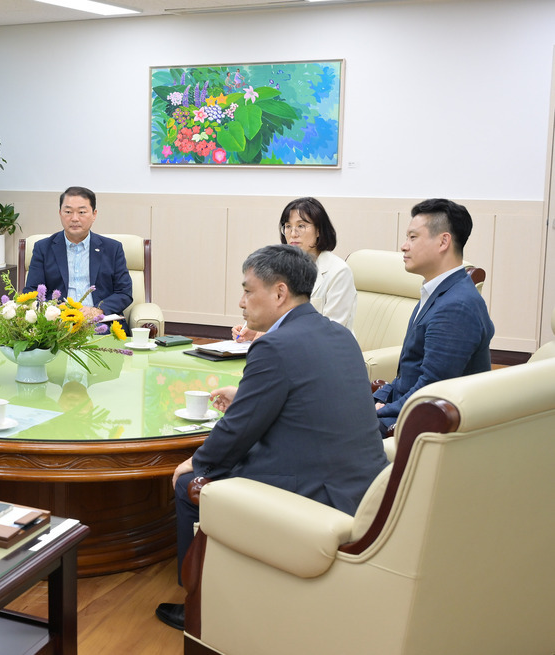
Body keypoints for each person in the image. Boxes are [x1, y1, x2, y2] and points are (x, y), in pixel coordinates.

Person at [155, 244, 388, 631]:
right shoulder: (339, 334)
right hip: (362, 486)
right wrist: (245, 397)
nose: (241, 302)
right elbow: (311, 399)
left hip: (315, 490)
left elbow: (236, 430)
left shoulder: (274, 344)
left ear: (280, 293)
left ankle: (199, 604)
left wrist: (198, 461)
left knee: (189, 484)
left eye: (248, 290)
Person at [373, 198, 494, 432]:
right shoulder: (439, 291)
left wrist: (378, 412)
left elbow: (431, 390)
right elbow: (409, 372)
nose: (404, 246)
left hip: (421, 424)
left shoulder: (457, 306)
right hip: (406, 409)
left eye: (413, 237)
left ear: (443, 241)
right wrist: (378, 399)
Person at [232, 197, 356, 341]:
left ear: (318, 231)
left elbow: (330, 329)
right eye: (288, 226)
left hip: (327, 347)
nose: (293, 234)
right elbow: (272, 312)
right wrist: (253, 330)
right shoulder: (282, 267)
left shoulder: (339, 271)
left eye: (301, 226)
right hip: (289, 344)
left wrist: (276, 335)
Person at [23, 186, 133, 319]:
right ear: (60, 213)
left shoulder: (113, 249)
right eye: (68, 212)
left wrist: (98, 310)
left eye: (82, 212)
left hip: (100, 321)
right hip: (57, 322)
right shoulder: (43, 248)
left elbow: (124, 292)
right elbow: (31, 292)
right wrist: (53, 309)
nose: (74, 218)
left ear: (94, 214)